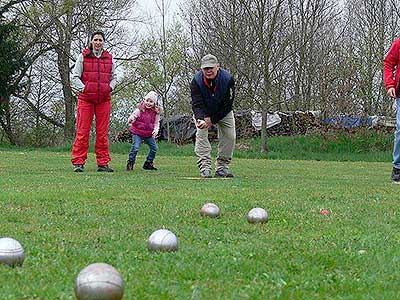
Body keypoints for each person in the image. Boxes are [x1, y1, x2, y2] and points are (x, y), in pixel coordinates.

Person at [70, 31, 116, 172]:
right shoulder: (82, 57)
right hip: (86, 100)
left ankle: (103, 163)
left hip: (104, 100)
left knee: (102, 133)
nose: (97, 42)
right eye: (95, 39)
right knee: (82, 131)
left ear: (103, 42)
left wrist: (110, 87)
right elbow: (75, 77)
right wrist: (84, 89)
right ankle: (78, 162)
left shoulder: (109, 58)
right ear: (91, 41)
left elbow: (114, 77)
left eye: (100, 40)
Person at [190, 54, 236, 178]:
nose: (209, 70)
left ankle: (222, 167)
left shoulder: (228, 79)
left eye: (211, 67)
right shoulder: (196, 81)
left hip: (223, 111)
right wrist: (200, 119)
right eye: (206, 68)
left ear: (218, 66)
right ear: (201, 69)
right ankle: (205, 167)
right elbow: (196, 103)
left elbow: (228, 104)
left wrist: (213, 119)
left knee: (230, 137)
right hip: (203, 111)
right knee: (201, 135)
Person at [126, 91, 160, 171]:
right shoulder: (140, 110)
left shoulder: (156, 113)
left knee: (154, 148)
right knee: (136, 147)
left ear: (154, 103)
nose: (148, 103)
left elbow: (156, 123)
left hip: (148, 134)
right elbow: (133, 116)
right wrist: (131, 119)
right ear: (144, 101)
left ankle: (148, 163)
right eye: (147, 101)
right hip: (137, 132)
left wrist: (155, 131)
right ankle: (130, 162)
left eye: (151, 102)